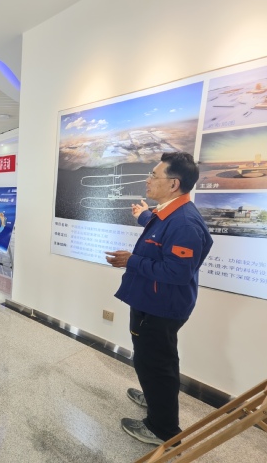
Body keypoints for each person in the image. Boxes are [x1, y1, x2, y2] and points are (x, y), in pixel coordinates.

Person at [105, 152, 213, 446]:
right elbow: (159, 230)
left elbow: (177, 272)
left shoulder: (185, 223)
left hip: (160, 307)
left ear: (174, 184)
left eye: (154, 175)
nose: (148, 179)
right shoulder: (170, 213)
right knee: (152, 360)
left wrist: (131, 260)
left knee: (156, 364)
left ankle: (163, 429)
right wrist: (143, 215)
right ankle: (155, 397)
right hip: (153, 301)